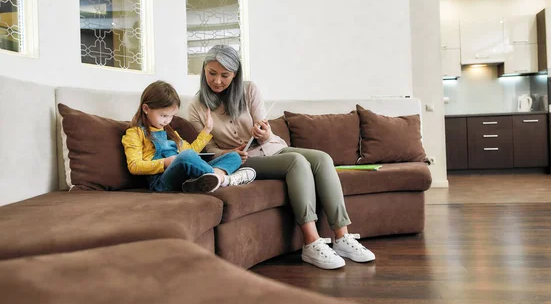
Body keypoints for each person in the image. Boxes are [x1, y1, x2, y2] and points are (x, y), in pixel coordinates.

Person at [187, 45, 375, 270]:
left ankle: (342, 237)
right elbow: (207, 151)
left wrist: (264, 133)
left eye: (225, 75)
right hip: (242, 160)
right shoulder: (196, 107)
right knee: (297, 162)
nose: (217, 81)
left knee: (322, 159)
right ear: (204, 72)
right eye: (212, 73)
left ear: (235, 75)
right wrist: (228, 153)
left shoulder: (249, 91)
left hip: (272, 148)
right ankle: (312, 242)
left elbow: (263, 127)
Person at [122, 80, 256, 193]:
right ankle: (225, 179)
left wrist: (207, 130)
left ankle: (204, 181)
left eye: (171, 116)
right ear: (146, 109)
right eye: (163, 115)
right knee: (185, 157)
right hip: (161, 181)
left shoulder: (170, 132)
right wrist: (166, 162)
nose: (167, 121)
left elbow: (191, 150)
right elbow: (134, 166)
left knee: (234, 156)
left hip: (185, 177)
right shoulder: (134, 133)